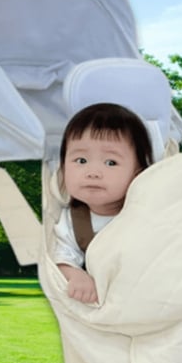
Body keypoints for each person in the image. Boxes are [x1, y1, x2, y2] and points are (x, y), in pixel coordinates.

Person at [53, 102, 153, 304]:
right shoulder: (72, 220)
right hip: (103, 302)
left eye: (111, 162)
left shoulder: (146, 213)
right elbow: (61, 256)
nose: (93, 173)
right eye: (81, 160)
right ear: (63, 169)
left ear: (138, 174)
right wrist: (76, 276)